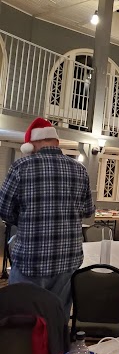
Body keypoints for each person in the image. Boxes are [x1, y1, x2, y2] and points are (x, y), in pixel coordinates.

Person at [0, 118, 95, 319]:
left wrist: (27, 219)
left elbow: (4, 209)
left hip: (30, 259)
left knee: (20, 320)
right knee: (56, 319)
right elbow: (87, 211)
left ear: (32, 143)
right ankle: (55, 351)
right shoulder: (79, 170)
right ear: (56, 142)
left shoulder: (20, 167)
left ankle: (22, 350)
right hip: (67, 259)